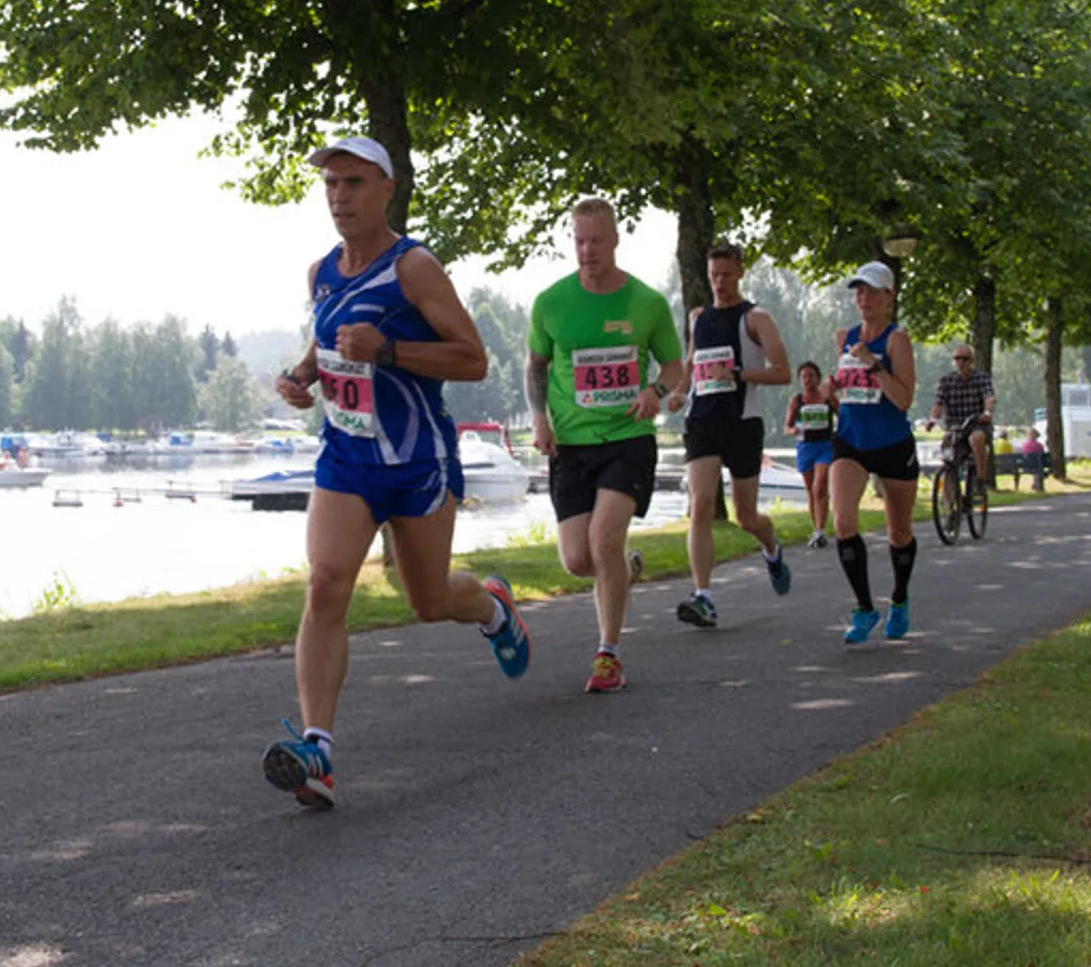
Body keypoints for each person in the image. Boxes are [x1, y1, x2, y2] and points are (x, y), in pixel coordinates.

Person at [263, 136, 532, 809]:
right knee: (326, 587)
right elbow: (327, 337)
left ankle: (493, 608)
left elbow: (473, 360)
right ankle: (317, 751)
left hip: (415, 459)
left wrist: (389, 350)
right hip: (347, 455)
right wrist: (302, 377)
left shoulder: (414, 268)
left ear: (386, 187)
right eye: (330, 185)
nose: (338, 197)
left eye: (353, 183)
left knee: (429, 601)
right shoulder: (321, 271)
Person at [527, 197, 684, 693]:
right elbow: (535, 367)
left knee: (603, 541)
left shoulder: (647, 303)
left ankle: (608, 657)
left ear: (615, 240)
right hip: (570, 444)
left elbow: (675, 369)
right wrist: (539, 418)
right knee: (577, 560)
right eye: (579, 240)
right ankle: (623, 569)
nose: (587, 250)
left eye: (596, 240)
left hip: (628, 438)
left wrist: (655, 392)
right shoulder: (550, 303)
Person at [667, 241, 793, 629]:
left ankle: (771, 548)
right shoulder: (698, 317)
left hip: (742, 423)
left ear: (740, 273)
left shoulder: (756, 319)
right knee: (701, 504)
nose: (719, 283)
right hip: (702, 421)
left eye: (726, 275)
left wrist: (739, 375)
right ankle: (702, 595)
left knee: (746, 516)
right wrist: (678, 392)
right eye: (713, 275)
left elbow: (783, 372)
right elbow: (691, 364)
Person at [828, 261, 921, 644]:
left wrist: (874, 365)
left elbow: (903, 399)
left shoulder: (897, 340)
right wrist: (835, 390)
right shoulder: (843, 336)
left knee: (898, 532)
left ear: (889, 296)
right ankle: (865, 608)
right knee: (843, 523)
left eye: (870, 291)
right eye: (858, 291)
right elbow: (846, 393)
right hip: (850, 440)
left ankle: (898, 600)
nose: (863, 298)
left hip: (892, 443)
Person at [784, 361, 837, 547]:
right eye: (804, 377)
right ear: (800, 380)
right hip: (805, 447)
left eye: (811, 376)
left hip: (825, 446)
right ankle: (816, 529)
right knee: (811, 490)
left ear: (818, 378)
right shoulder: (796, 401)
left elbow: (842, 415)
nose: (807, 380)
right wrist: (795, 430)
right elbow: (787, 427)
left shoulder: (826, 399)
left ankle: (821, 530)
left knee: (819, 487)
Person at [928, 342, 996, 484]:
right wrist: (933, 419)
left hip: (976, 424)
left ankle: (980, 480)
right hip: (955, 428)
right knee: (948, 458)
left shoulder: (981, 378)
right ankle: (948, 500)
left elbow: (989, 397)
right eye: (957, 358)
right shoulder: (946, 381)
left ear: (971, 361)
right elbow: (938, 403)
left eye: (964, 359)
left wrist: (987, 412)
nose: (960, 362)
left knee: (976, 438)